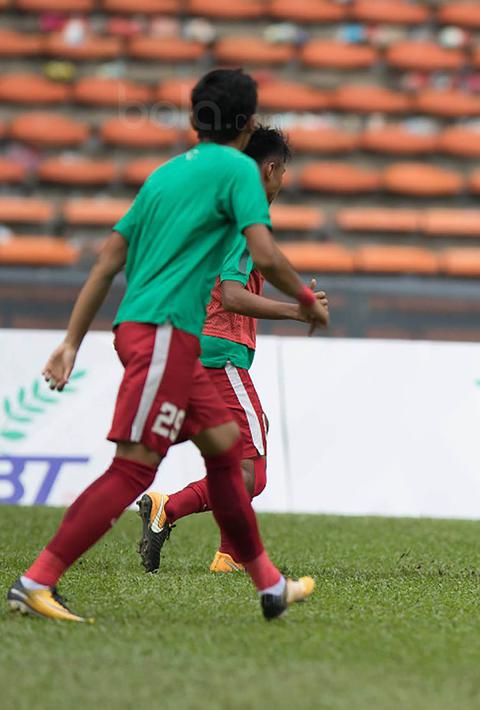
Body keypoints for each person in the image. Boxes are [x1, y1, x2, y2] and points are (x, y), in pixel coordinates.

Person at [5, 69, 328, 622]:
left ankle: (270, 586)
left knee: (229, 455)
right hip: (163, 335)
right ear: (248, 124)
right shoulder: (239, 170)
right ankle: (36, 580)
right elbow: (265, 255)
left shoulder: (164, 175)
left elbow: (109, 259)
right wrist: (304, 301)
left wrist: (71, 341)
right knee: (133, 470)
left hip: (154, 333)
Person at [135, 126, 327, 575]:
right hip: (221, 353)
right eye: (283, 173)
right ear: (271, 169)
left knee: (236, 457)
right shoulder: (244, 222)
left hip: (197, 349)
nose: (282, 183)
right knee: (251, 472)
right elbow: (233, 295)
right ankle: (170, 507)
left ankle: (228, 554)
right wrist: (297, 311)